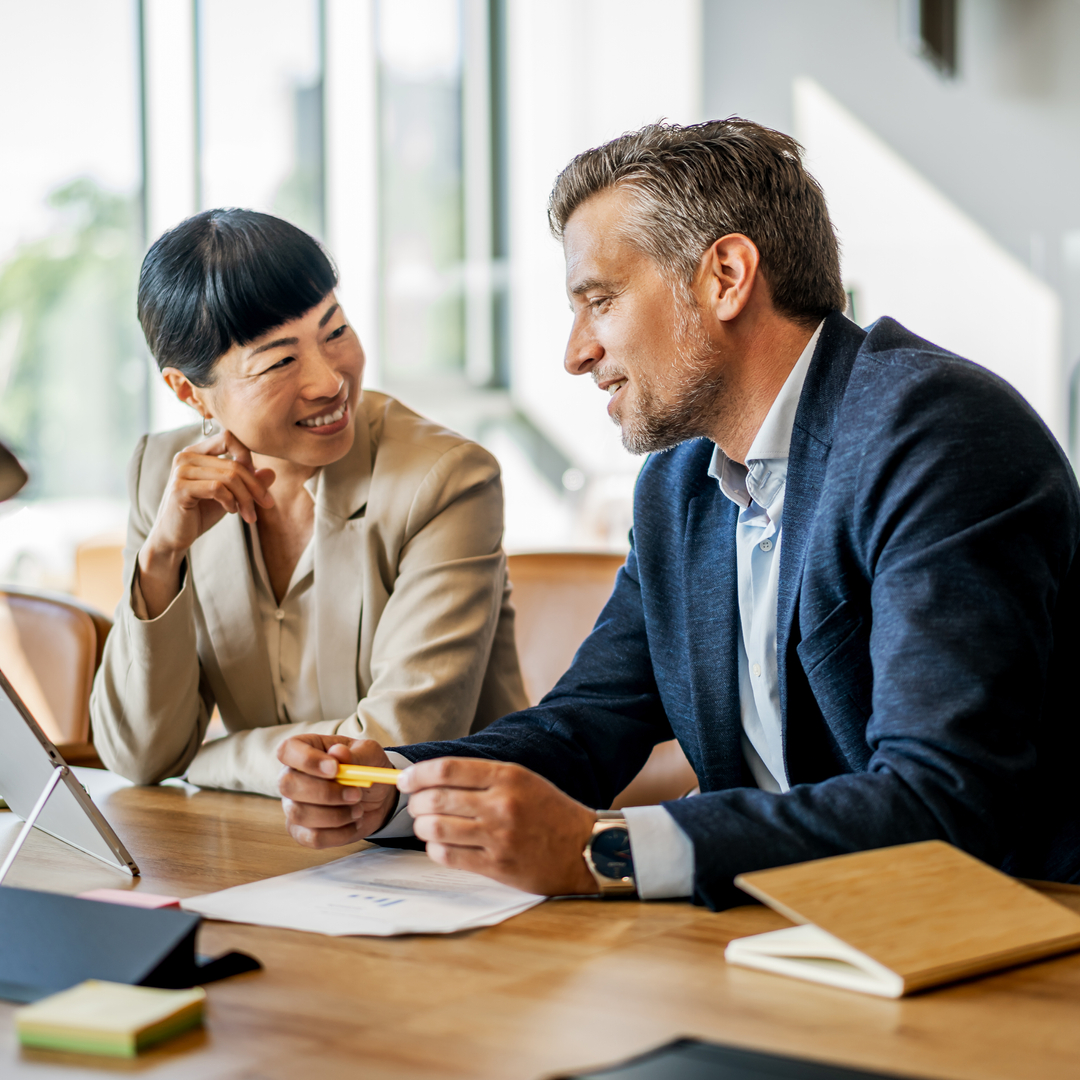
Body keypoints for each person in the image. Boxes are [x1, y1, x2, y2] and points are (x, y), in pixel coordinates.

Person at [275, 120, 1080, 910]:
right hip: (783, 932)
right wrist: (390, 785)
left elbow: (943, 803)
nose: (575, 352)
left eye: (601, 300)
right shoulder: (683, 482)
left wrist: (604, 852)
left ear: (725, 276)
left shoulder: (936, 434)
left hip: (1009, 943)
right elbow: (587, 725)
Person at [91, 209, 526, 796]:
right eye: (280, 360)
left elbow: (392, 749)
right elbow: (139, 756)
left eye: (335, 332)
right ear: (189, 391)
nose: (329, 381)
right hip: (261, 848)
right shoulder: (162, 478)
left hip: (437, 850)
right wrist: (162, 556)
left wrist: (210, 761)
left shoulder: (445, 479)